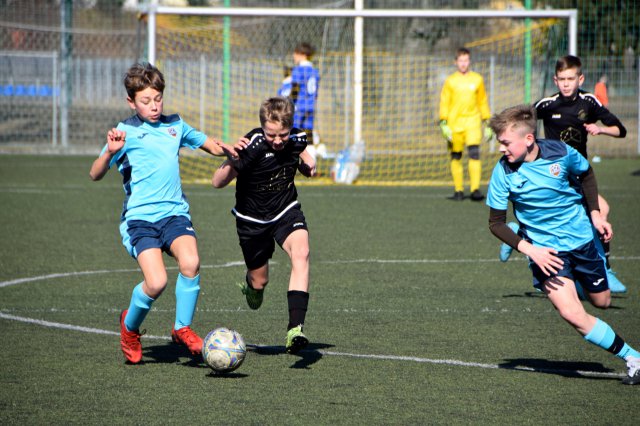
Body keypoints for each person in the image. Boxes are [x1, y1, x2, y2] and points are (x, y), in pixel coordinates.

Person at [89, 62, 236, 364]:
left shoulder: (175, 126)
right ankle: (129, 327)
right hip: (140, 220)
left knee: (191, 262)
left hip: (174, 214)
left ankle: (182, 328)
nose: (154, 106)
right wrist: (111, 152)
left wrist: (233, 149)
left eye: (158, 99)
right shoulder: (124, 132)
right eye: (145, 101)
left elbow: (209, 144)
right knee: (156, 283)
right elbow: (95, 173)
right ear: (131, 101)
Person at [486, 104, 639, 385]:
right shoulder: (503, 172)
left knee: (602, 302)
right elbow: (495, 222)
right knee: (572, 313)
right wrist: (529, 249)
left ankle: (524, 235)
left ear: (528, 139)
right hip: (545, 251)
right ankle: (634, 359)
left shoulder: (561, 153)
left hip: (581, 240)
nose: (501, 149)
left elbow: (586, 174)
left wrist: (594, 213)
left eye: (506, 142)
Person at [500, 56, 627, 293]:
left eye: (571, 79)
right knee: (584, 215)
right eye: (562, 79)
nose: (566, 84)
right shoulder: (547, 105)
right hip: (552, 173)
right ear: (555, 80)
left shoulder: (589, 101)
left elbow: (621, 130)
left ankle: (599, 271)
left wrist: (600, 129)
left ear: (580, 79)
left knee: (598, 212)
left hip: (578, 172)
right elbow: (523, 122)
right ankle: (601, 271)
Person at [212, 96, 316, 355]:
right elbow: (217, 182)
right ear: (262, 127)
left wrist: (309, 166)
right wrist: (231, 160)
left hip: (286, 211)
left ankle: (295, 330)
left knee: (301, 254)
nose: (278, 140)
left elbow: (305, 161)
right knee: (259, 282)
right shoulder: (253, 145)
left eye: (283, 134)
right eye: (272, 134)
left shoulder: (296, 139)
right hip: (252, 220)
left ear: (290, 128)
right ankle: (251, 286)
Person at [439, 47, 493, 201]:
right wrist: (443, 121)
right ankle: (458, 190)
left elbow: (482, 101)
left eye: (466, 60)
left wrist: (487, 120)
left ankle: (475, 189)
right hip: (454, 123)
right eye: (460, 60)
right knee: (456, 155)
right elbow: (445, 101)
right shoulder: (450, 81)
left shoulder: (477, 79)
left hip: (473, 122)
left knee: (474, 153)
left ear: (469, 61)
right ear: (455, 62)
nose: (463, 63)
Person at [290, 42, 320, 149]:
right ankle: (312, 159)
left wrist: (290, 103)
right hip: (311, 106)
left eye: (295, 53)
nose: (294, 56)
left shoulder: (298, 70)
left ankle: (292, 158)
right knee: (308, 132)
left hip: (299, 106)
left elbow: (295, 89)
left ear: (302, 54)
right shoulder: (315, 71)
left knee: (294, 132)